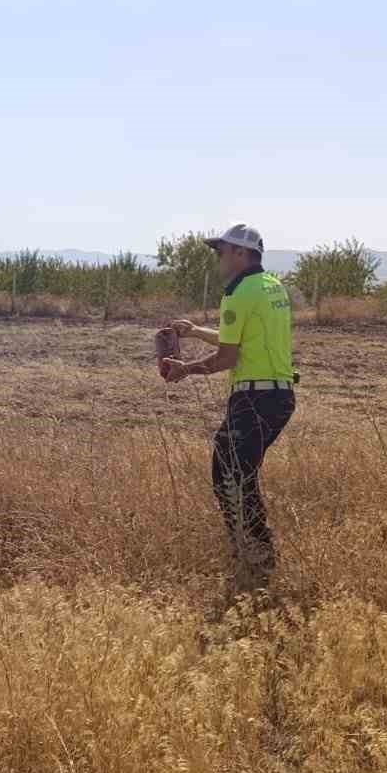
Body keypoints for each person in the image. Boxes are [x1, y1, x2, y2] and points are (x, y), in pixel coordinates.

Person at [157, 224, 296, 587]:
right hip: (278, 396)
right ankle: (251, 552)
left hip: (254, 398)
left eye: (222, 251)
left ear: (240, 253)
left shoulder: (237, 293)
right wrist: (195, 331)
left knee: (229, 475)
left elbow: (227, 357)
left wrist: (186, 370)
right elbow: (239, 339)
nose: (218, 257)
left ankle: (257, 556)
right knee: (236, 472)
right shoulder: (271, 286)